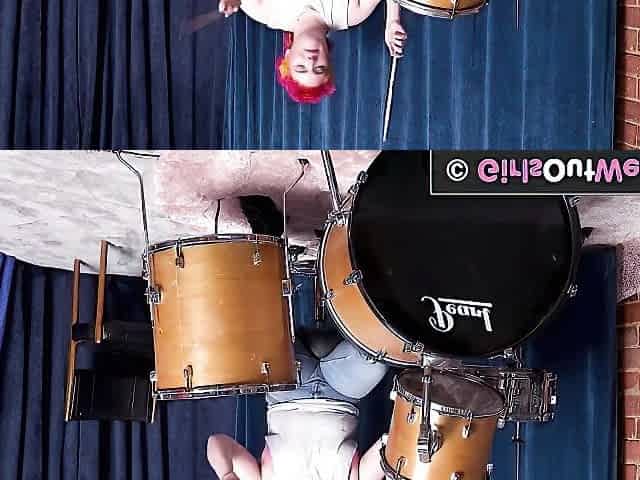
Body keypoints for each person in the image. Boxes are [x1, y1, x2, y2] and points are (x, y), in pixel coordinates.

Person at [207, 196, 390, 480]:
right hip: (343, 392)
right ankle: (351, 243)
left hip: (287, 389)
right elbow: (387, 447)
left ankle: (268, 237)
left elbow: (218, 444)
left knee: (254, 339)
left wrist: (227, 475)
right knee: (381, 351)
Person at [217, 0, 407, 103]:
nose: (310, 61)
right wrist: (393, 21)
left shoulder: (266, 12)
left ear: (288, 56)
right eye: (319, 69)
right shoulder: (351, 14)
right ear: (328, 60)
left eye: (300, 67)